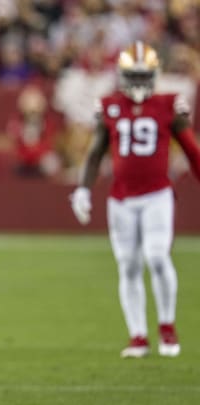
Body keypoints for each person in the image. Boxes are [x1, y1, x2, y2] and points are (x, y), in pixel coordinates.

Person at [70, 42, 200, 358]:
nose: (139, 82)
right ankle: (138, 336)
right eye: (134, 75)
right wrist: (83, 188)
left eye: (144, 75)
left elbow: (190, 149)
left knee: (156, 256)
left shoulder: (169, 104)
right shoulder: (110, 105)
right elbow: (96, 150)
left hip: (157, 193)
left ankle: (167, 327)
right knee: (128, 265)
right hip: (121, 198)